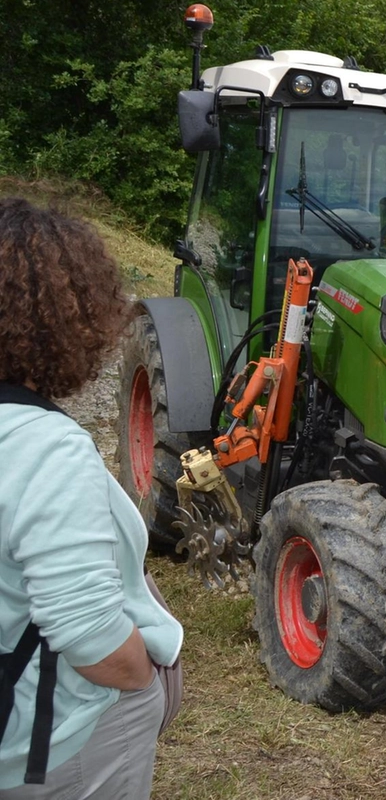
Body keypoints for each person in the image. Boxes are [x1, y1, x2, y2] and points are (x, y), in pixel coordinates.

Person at [0, 198, 184, 796]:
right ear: (66, 315)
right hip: (63, 736)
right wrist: (141, 681)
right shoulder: (45, 446)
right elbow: (86, 630)